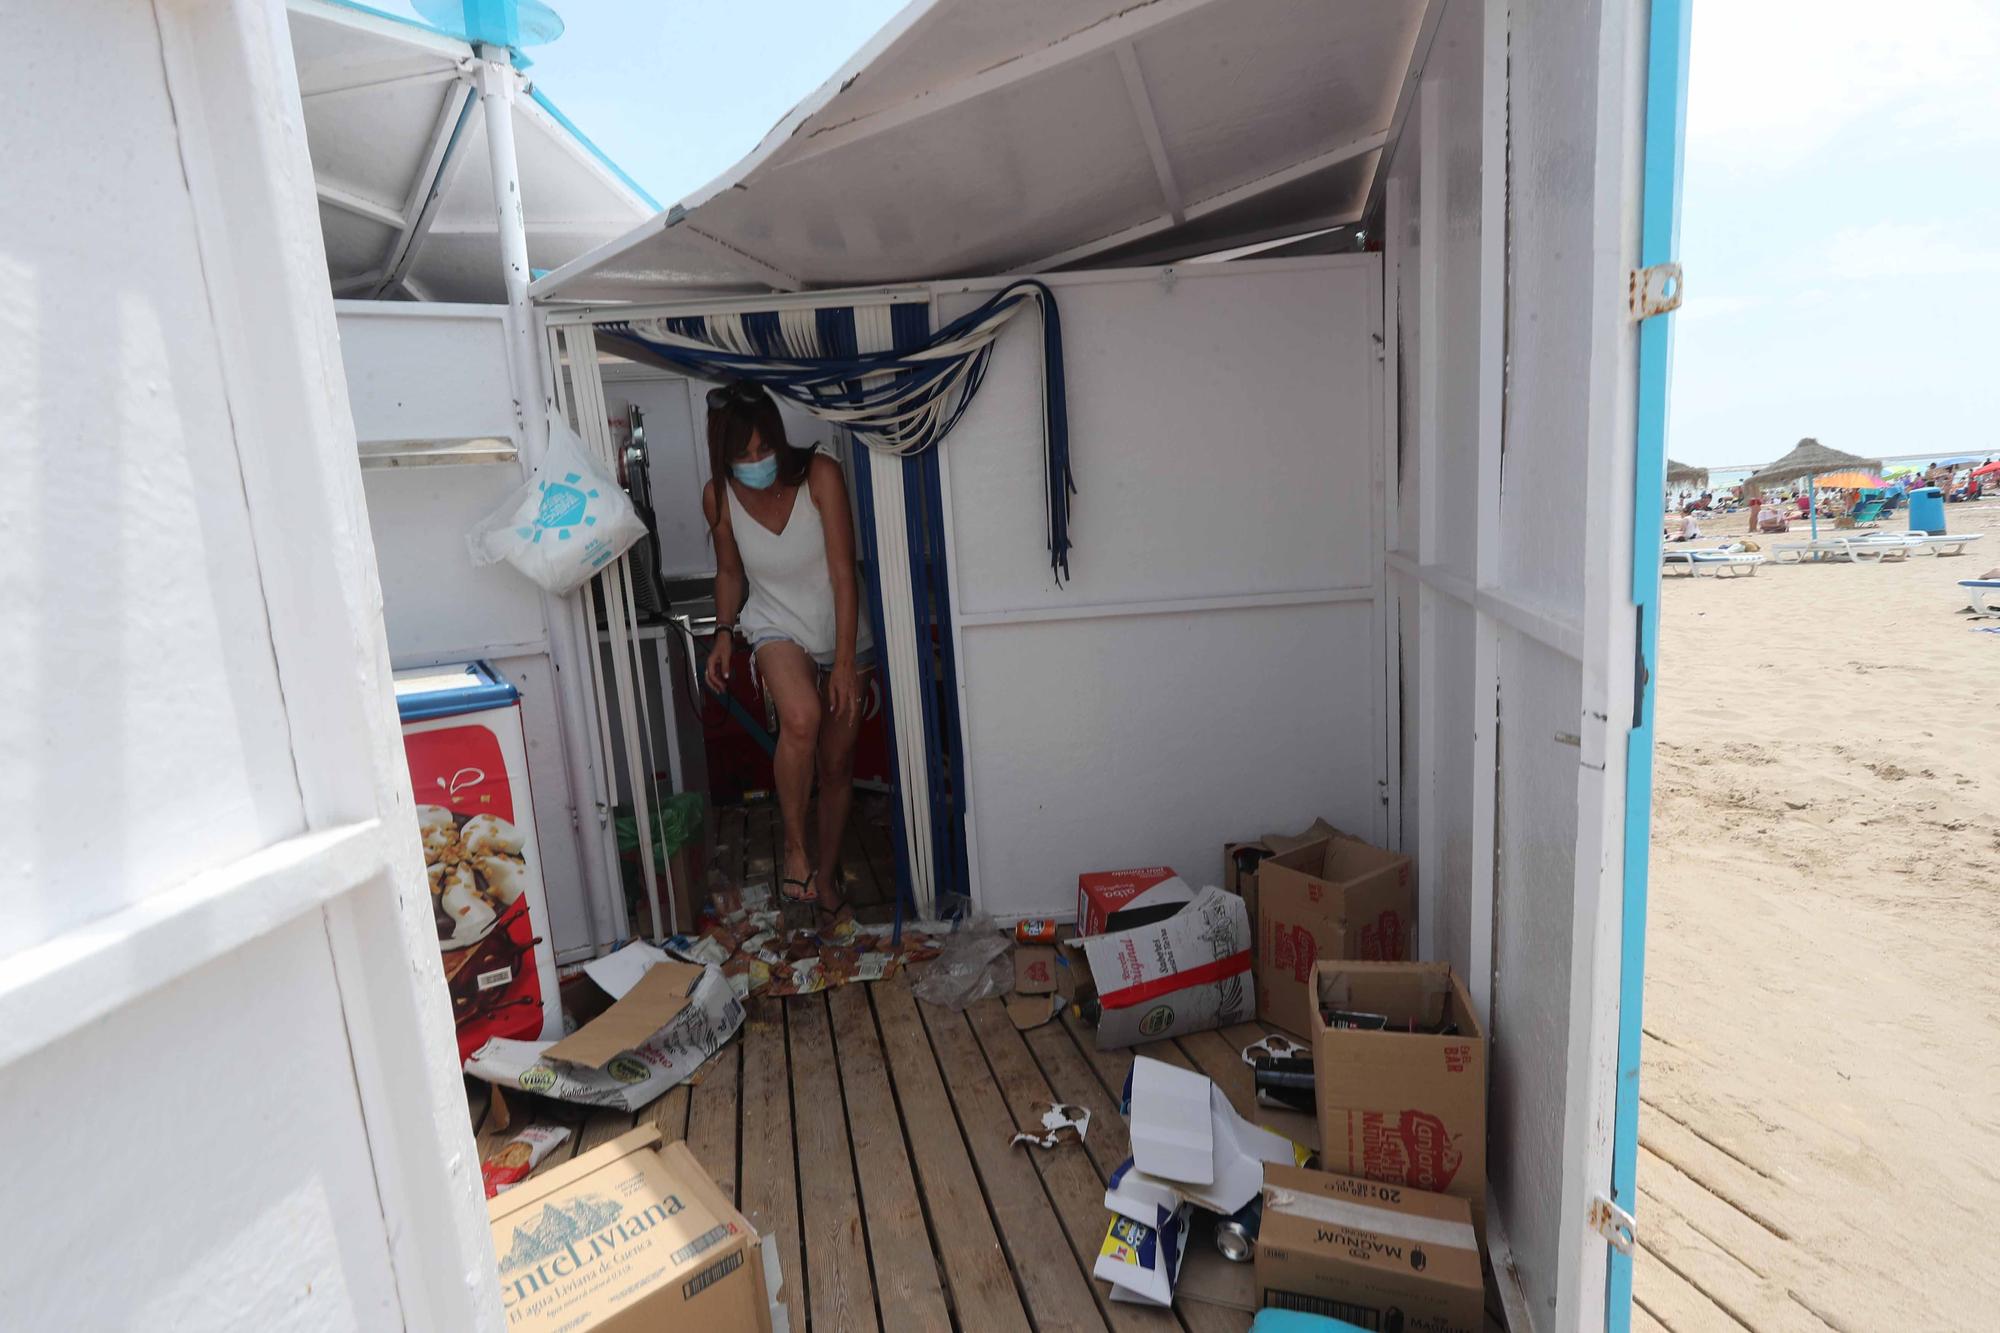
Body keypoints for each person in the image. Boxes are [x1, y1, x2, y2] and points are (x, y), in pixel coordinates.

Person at [701, 382, 874, 922]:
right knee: (801, 717)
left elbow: (845, 574)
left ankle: (824, 879)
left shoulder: (820, 475)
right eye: (743, 454)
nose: (756, 461)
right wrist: (724, 632)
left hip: (841, 627)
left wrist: (845, 661)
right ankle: (795, 848)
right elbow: (730, 571)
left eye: (764, 448)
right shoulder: (718, 497)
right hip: (776, 623)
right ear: (725, 455)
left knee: (837, 763)